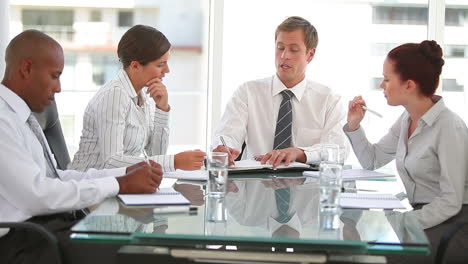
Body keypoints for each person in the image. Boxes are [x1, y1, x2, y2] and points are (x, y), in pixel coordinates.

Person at [0, 29, 163, 264]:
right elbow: (38, 195)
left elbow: (57, 177)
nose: (58, 88)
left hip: (48, 228)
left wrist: (123, 174)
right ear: (26, 69)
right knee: (142, 255)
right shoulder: (4, 120)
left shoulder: (23, 116)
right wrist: (119, 184)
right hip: (26, 241)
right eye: (55, 76)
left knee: (150, 247)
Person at [344, 40, 468, 263]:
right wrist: (354, 126)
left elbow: (451, 201)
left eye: (387, 79)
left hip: (454, 224)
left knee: (380, 256)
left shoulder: (450, 126)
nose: (382, 85)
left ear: (409, 85)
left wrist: (405, 222)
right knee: (358, 247)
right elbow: (372, 160)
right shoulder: (407, 119)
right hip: (424, 216)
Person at [213, 16, 346, 166]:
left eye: (294, 50)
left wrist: (300, 153)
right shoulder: (247, 92)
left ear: (310, 54)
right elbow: (227, 134)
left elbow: (338, 149)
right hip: (255, 183)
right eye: (280, 48)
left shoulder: (329, 100)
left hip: (307, 185)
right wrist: (224, 148)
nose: (284, 56)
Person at [69, 25, 205, 172]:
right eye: (160, 65)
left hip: (118, 184)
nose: (167, 71)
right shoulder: (114, 95)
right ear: (135, 66)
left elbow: (155, 155)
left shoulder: (142, 96)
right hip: (88, 187)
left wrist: (162, 109)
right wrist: (174, 161)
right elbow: (112, 161)